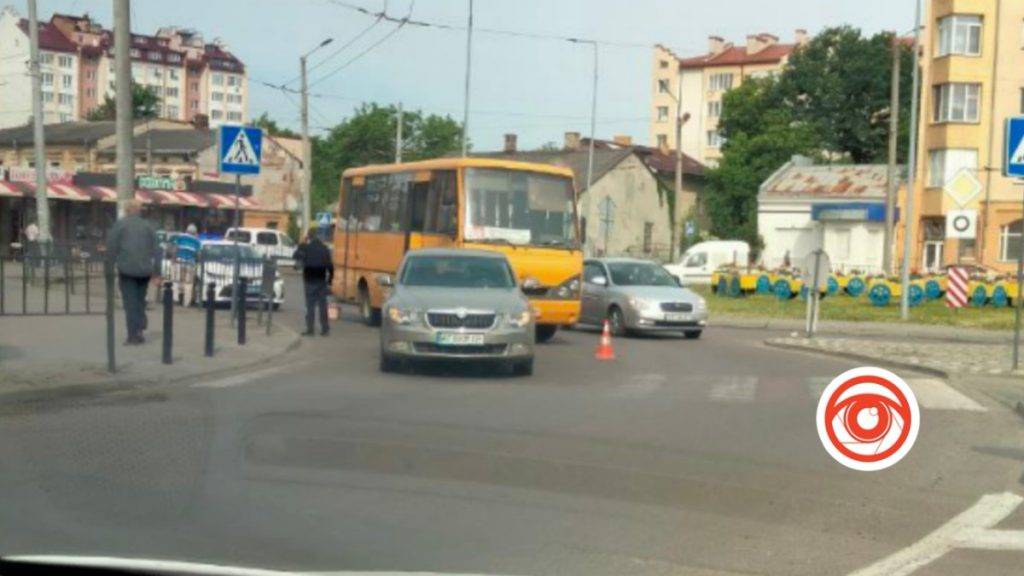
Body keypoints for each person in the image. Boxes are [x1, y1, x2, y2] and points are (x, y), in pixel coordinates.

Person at [107, 200, 157, 345]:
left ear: (127, 210)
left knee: (130, 303)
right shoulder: (148, 226)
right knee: (140, 300)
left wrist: (109, 267)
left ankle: (133, 336)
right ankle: (140, 325)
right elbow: (157, 249)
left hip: (127, 270)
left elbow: (111, 247)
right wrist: (157, 271)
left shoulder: (120, 225)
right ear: (139, 210)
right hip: (144, 271)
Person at [292, 226, 334, 336]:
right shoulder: (324, 248)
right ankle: (325, 329)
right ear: (317, 236)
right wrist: (329, 280)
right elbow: (330, 265)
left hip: (309, 279)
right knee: (322, 306)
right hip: (321, 279)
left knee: (310, 306)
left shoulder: (306, 247)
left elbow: (295, 255)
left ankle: (310, 330)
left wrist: (302, 243)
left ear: (309, 236)